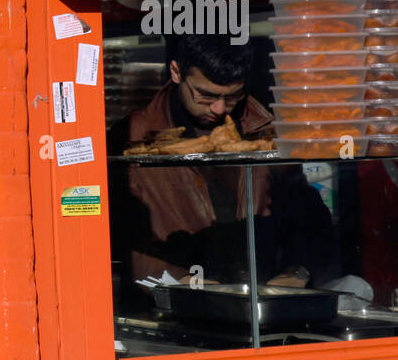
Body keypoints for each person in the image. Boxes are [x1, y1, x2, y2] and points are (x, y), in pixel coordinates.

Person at [108, 34, 337, 297]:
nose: (219, 109)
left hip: (255, 300)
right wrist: (177, 281)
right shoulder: (131, 136)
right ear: (176, 72)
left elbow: (309, 219)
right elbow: (116, 236)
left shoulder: (265, 131)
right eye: (205, 95)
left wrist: (298, 272)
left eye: (232, 96)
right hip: (168, 308)